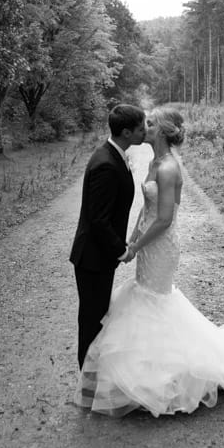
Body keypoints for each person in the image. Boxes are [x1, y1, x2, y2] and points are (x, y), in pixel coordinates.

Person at [75, 107, 224, 417]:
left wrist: (135, 245)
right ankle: (137, 375)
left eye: (150, 123)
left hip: (161, 246)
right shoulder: (153, 162)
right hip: (145, 244)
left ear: (163, 132)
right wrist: (130, 240)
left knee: (155, 301)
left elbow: (165, 219)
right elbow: (146, 209)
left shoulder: (168, 168)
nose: (145, 126)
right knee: (143, 302)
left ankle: (165, 376)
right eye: (144, 123)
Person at [70, 103, 146, 368]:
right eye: (140, 128)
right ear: (126, 132)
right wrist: (121, 249)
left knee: (97, 316)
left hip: (99, 257)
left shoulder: (113, 154)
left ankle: (93, 380)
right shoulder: (105, 164)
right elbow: (98, 220)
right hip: (92, 257)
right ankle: (87, 381)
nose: (144, 132)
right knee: (92, 320)